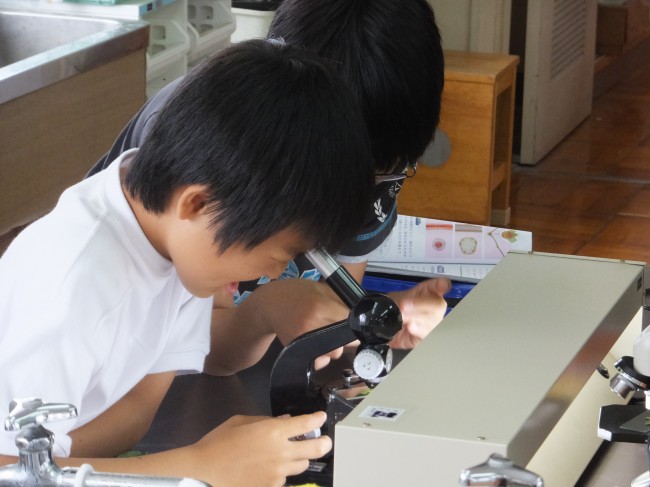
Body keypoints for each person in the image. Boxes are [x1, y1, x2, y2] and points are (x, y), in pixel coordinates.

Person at [0, 39, 376, 487]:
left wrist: (200, 463)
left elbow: (139, 408)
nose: (274, 273)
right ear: (198, 204)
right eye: (276, 256)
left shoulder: (180, 243)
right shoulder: (72, 288)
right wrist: (197, 466)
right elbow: (13, 473)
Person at [87, 0, 448, 375]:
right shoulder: (209, 140)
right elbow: (186, 348)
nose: (358, 192)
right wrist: (265, 312)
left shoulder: (381, 153)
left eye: (378, 173)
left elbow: (332, 297)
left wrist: (373, 321)